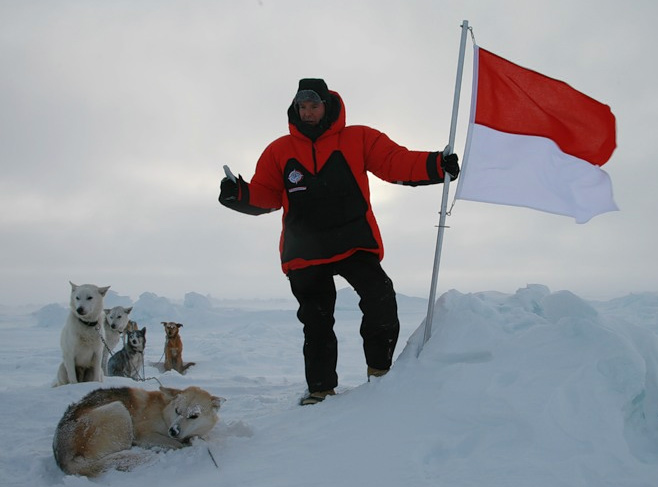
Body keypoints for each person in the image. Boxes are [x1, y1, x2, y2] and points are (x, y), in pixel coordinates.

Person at [219, 78, 459, 405]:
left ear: (327, 105)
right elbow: (267, 196)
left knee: (380, 298)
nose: (307, 112)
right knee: (316, 322)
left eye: (313, 106)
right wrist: (239, 193)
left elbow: (394, 162)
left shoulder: (358, 138)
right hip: (304, 250)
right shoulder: (279, 150)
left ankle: (381, 374)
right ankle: (320, 389)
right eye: (301, 107)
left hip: (353, 241)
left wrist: (435, 164)